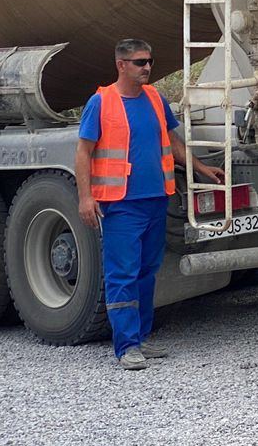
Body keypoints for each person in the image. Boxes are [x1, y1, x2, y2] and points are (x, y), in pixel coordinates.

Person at [75, 38, 226, 370]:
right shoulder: (101, 102)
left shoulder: (156, 99)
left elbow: (173, 142)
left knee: (146, 272)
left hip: (156, 199)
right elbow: (84, 152)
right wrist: (85, 197)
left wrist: (200, 167)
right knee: (123, 274)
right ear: (121, 65)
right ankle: (126, 346)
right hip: (121, 204)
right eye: (140, 62)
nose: (147, 68)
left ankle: (140, 337)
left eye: (150, 62)